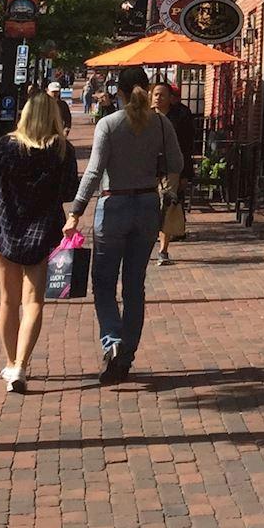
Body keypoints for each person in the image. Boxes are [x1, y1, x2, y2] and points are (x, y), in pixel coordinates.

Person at [65, 69, 182, 383]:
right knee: (134, 286)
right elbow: (177, 163)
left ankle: (113, 340)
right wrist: (159, 174)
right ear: (146, 88)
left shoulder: (109, 124)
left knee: (103, 283)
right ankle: (126, 355)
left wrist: (76, 210)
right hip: (147, 205)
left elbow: (93, 172)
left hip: (113, 204)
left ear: (119, 91)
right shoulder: (161, 123)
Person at [0, 92, 78, 394]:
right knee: (34, 301)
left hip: (6, 228)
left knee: (8, 299)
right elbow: (68, 192)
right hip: (43, 230)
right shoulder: (62, 149)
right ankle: (21, 365)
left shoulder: (5, 146)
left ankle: (11, 363)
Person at [153, 81, 197, 265]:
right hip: (148, 169)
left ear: (171, 98)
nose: (158, 98)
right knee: (150, 206)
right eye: (155, 94)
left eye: (162, 94)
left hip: (171, 169)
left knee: (166, 206)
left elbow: (187, 147)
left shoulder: (180, 117)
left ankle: (163, 250)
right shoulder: (146, 117)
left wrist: (185, 174)